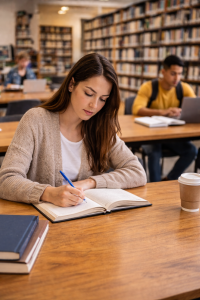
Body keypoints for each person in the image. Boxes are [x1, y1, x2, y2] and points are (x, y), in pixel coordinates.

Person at [0, 53, 146, 207]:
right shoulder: (36, 120)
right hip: (42, 221)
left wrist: (89, 183)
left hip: (84, 221)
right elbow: (6, 180)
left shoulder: (101, 127)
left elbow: (137, 172)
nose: (94, 105)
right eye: (89, 94)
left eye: (103, 99)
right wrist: (48, 193)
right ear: (71, 84)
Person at [132, 55, 197, 182]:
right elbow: (136, 109)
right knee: (154, 152)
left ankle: (168, 179)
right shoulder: (149, 87)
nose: (177, 78)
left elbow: (195, 108)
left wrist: (183, 111)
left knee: (191, 151)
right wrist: (163, 112)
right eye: (173, 73)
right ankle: (155, 187)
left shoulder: (183, 88)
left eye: (179, 74)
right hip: (149, 135)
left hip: (170, 136)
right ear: (163, 72)